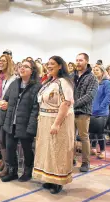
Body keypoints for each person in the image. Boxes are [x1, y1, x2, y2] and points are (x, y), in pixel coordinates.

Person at [34, 56, 75, 194]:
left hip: (58, 120)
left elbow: (66, 103)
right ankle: (49, 178)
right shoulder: (50, 81)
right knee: (48, 150)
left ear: (60, 66)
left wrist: (57, 123)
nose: (49, 66)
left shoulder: (63, 82)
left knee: (57, 150)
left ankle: (57, 181)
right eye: (48, 64)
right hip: (45, 119)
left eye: (53, 64)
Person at [0, 59, 41, 182]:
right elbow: (5, 100)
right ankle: (12, 171)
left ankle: (28, 171)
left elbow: (35, 109)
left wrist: (31, 127)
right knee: (10, 148)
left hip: (25, 123)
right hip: (11, 122)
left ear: (32, 71)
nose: (22, 68)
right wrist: (3, 111)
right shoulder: (14, 83)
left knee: (27, 149)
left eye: (26, 67)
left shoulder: (37, 87)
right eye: (21, 66)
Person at [73, 53, 98, 172]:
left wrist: (73, 104)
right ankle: (70, 158)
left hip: (83, 111)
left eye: (80, 60)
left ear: (86, 62)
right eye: (77, 60)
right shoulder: (71, 75)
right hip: (70, 111)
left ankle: (85, 162)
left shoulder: (92, 77)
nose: (78, 62)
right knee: (69, 137)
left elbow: (90, 95)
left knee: (83, 137)